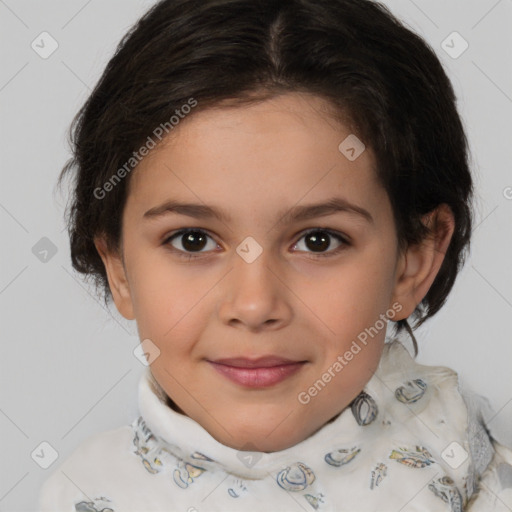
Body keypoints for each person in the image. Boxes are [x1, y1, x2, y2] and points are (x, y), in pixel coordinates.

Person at [38, 0, 512, 510]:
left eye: (318, 240)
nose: (254, 304)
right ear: (119, 268)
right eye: (193, 240)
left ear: (413, 259)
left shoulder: (467, 462)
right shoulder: (83, 494)